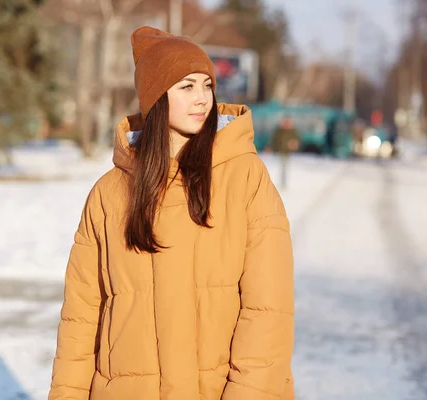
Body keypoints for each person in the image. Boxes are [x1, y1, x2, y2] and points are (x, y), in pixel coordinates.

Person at [48, 26, 295, 400]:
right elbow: (81, 319)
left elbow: (268, 310)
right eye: (186, 87)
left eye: (207, 85)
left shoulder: (245, 177)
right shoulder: (109, 193)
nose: (202, 99)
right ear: (155, 98)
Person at [270, 117, 300, 189]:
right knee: (277, 167)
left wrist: (294, 144)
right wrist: (271, 148)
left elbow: (296, 141)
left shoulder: (293, 131)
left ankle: (284, 183)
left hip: (287, 153)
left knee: (284, 167)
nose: (286, 124)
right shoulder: (279, 131)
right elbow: (274, 140)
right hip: (278, 152)